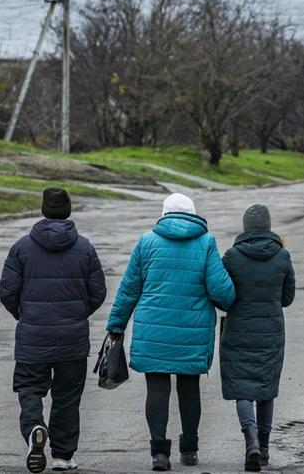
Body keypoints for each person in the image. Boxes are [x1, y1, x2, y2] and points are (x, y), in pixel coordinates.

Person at [106, 193, 236, 471]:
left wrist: (116, 326)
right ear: (193, 213)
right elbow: (222, 294)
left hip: (154, 330)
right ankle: (189, 450)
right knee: (189, 389)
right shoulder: (206, 243)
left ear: (164, 214)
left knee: (157, 388)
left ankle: (159, 453)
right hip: (193, 331)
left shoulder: (147, 242)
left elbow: (129, 289)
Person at [0, 187, 107, 473]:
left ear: (43, 210)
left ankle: (35, 426)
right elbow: (98, 293)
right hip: (72, 337)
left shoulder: (22, 247)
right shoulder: (84, 247)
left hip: (33, 335)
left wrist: (24, 315)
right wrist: (77, 314)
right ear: (68, 211)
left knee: (30, 387)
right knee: (67, 396)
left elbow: (7, 292)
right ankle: (62, 455)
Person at [219, 204, 296, 472]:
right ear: (268, 226)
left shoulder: (231, 256)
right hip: (271, 333)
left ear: (246, 227)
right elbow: (287, 299)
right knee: (266, 389)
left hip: (239, 329)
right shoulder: (282, 256)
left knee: (243, 388)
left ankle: (249, 438)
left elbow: (222, 295)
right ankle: (263, 450)